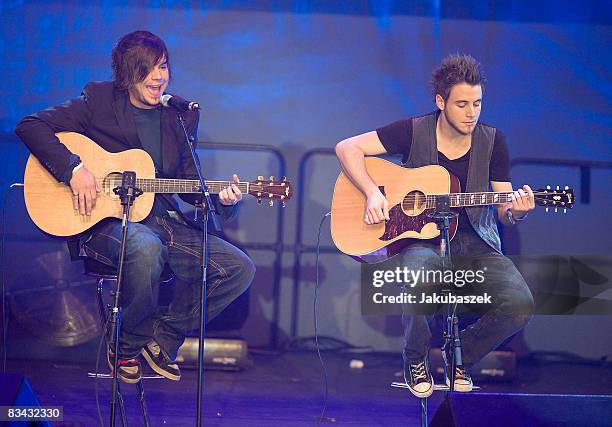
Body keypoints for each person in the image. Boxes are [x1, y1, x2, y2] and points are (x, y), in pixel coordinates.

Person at [16, 30, 255, 384]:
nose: (159, 77)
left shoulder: (180, 116)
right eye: (149, 69)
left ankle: (161, 340)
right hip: (101, 224)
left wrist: (222, 201)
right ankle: (126, 346)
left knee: (238, 267)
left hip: (163, 221)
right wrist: (74, 169)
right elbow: (30, 126)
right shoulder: (99, 100)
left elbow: (190, 185)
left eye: (163, 66)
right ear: (128, 73)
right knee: (144, 245)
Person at [335, 54, 535, 398]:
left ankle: (460, 356)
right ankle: (415, 359)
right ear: (440, 101)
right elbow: (347, 147)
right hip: (422, 239)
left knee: (520, 304)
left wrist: (517, 211)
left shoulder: (492, 141)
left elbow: (504, 207)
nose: (471, 113)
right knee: (417, 284)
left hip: (474, 240)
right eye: (461, 104)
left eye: (477, 103)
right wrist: (371, 193)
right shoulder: (413, 131)